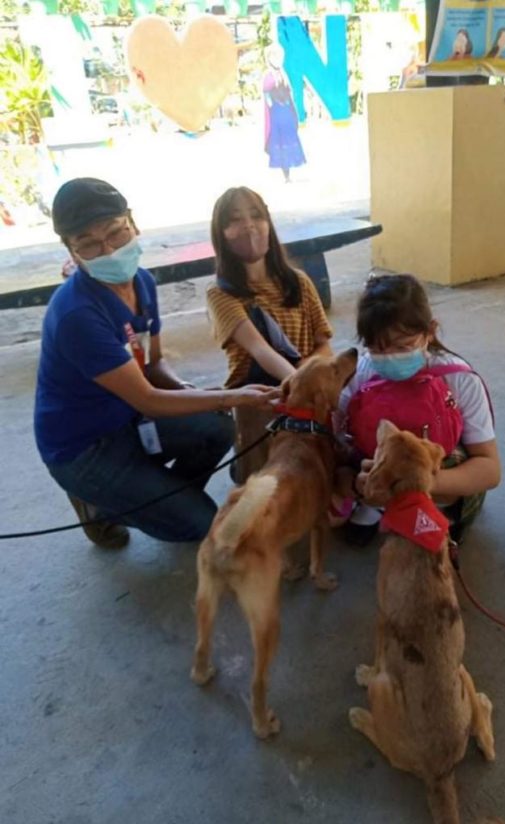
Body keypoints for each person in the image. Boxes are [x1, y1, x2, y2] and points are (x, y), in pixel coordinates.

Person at [35, 178, 277, 550]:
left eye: (116, 233)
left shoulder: (142, 282)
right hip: (85, 448)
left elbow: (153, 364)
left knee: (215, 426)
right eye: (89, 243)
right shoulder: (77, 315)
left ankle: (153, 496)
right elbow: (148, 398)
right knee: (200, 524)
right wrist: (234, 396)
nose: (108, 250)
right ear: (70, 249)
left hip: (128, 416)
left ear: (133, 224)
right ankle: (101, 504)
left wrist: (185, 390)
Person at [338, 274, 501, 544]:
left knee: (430, 540)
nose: (389, 357)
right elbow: (337, 435)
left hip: (439, 482)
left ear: (430, 332)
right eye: (377, 348)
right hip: (379, 470)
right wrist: (359, 482)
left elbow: (490, 469)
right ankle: (377, 505)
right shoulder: (364, 371)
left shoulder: (459, 379)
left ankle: (437, 512)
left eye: (403, 346)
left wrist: (421, 483)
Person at [207, 186, 333, 480]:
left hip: (303, 386)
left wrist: (307, 374)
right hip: (260, 398)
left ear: (268, 224)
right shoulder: (221, 293)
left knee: (313, 476)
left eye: (256, 216)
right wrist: (301, 385)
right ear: (222, 233)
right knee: (262, 484)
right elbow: (260, 350)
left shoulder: (299, 281)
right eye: (235, 220)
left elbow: (323, 345)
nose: (249, 226)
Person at [263, 44, 306, 183]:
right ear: (269, 58)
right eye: (273, 56)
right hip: (277, 114)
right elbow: (266, 95)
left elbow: (290, 93)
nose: (277, 59)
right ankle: (286, 175)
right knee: (280, 143)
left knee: (289, 140)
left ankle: (290, 171)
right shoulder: (268, 76)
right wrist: (272, 105)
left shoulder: (284, 74)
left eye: (278, 56)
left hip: (287, 112)